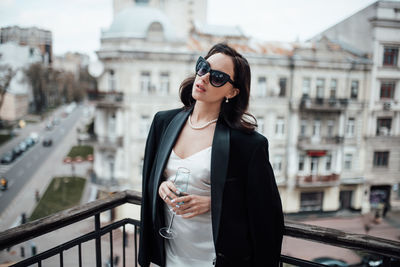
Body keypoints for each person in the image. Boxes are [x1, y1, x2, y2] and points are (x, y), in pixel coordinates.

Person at [139, 43, 284, 267]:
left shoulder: (248, 144)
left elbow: (266, 214)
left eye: (217, 77)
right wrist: (160, 186)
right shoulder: (163, 123)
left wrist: (213, 203)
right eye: (203, 67)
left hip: (213, 258)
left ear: (233, 91)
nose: (204, 77)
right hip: (168, 255)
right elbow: (149, 178)